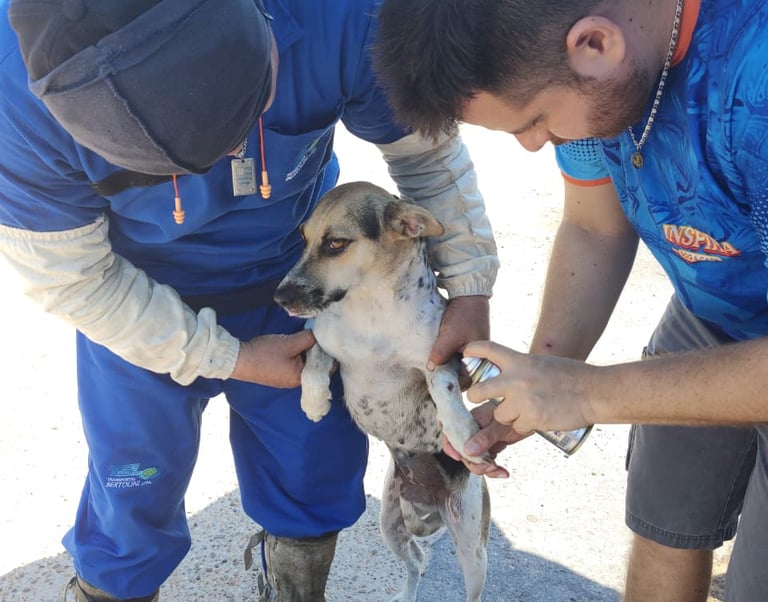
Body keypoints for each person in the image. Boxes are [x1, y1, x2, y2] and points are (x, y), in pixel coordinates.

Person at [0, 0, 499, 600]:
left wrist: (469, 282)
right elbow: (72, 279)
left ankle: (293, 583)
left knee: (313, 463)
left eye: (249, 115)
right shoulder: (15, 92)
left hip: (291, 280)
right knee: (133, 481)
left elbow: (428, 157)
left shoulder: (339, 16)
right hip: (134, 298)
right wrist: (228, 357)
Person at [374, 0, 768, 601]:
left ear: (595, 43)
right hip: (714, 306)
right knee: (663, 520)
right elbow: (595, 227)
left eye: (533, 120)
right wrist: (540, 375)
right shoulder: (601, 80)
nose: (535, 144)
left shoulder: (754, 87)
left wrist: (585, 392)